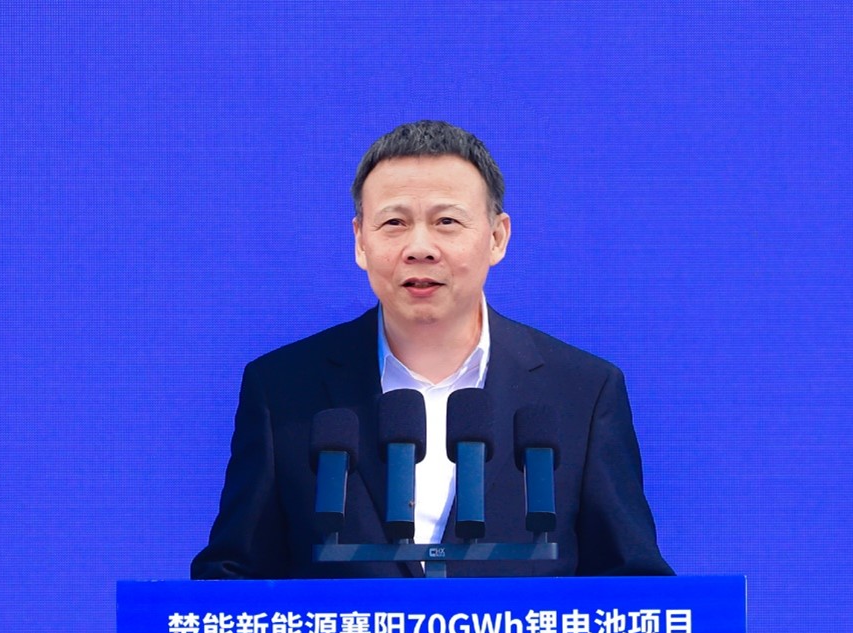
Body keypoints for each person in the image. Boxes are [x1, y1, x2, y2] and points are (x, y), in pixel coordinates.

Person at [192, 120, 671, 579]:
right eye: (394, 222)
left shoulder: (582, 392)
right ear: (360, 241)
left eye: (446, 221)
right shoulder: (283, 390)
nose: (419, 247)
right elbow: (232, 579)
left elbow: (634, 586)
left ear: (497, 237)